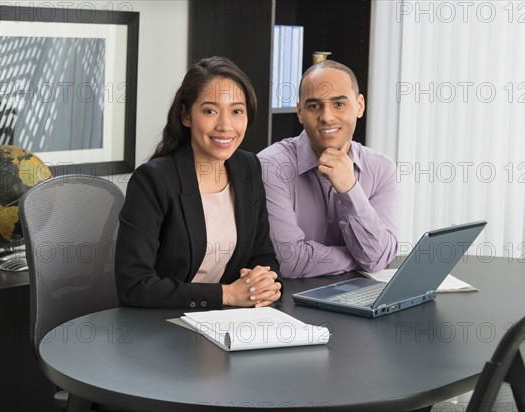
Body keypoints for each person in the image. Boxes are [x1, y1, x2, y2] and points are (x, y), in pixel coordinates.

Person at [115, 56, 282, 309]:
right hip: (160, 326)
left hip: (228, 321)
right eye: (210, 111)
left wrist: (266, 281)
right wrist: (226, 295)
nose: (225, 126)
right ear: (186, 116)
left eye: (237, 111)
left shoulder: (247, 167)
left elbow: (263, 252)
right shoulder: (153, 181)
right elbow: (134, 285)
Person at [258, 60, 399, 278]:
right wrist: (360, 259)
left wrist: (349, 189)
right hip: (290, 303)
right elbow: (288, 261)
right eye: (314, 106)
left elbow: (379, 258)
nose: (326, 117)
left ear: (359, 106)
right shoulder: (272, 165)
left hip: (360, 300)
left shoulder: (382, 168)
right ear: (299, 112)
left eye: (339, 104)